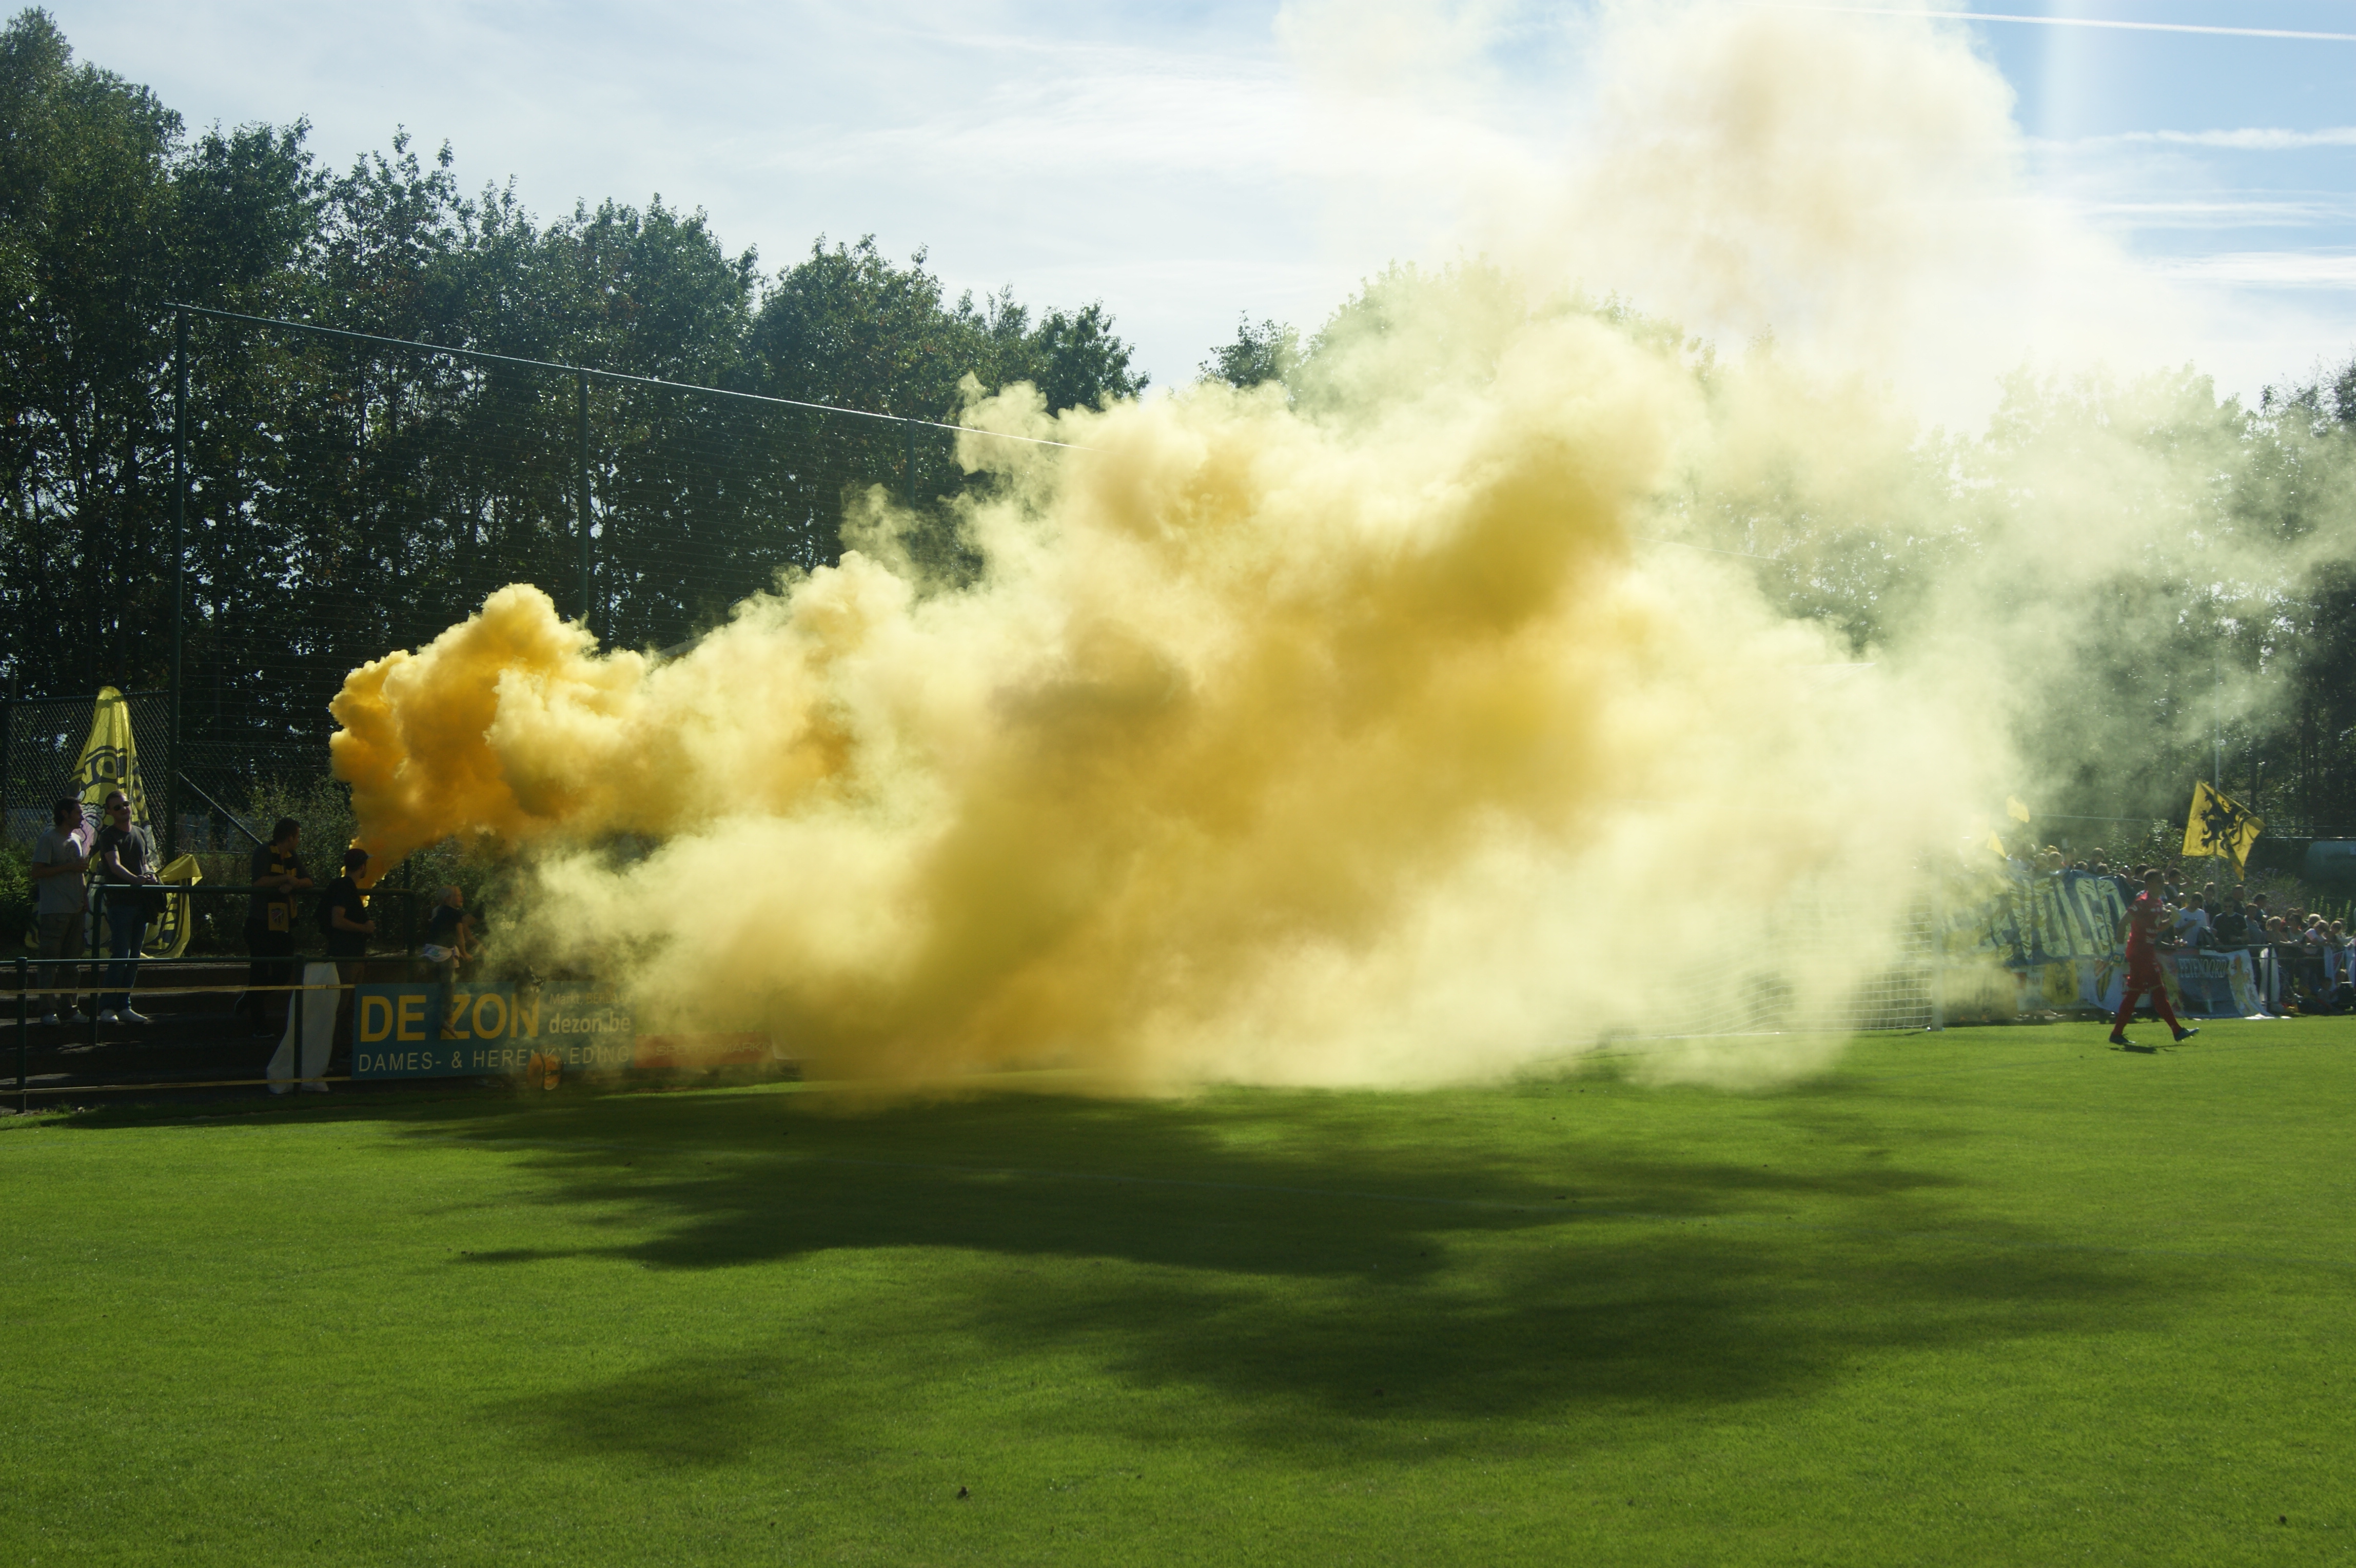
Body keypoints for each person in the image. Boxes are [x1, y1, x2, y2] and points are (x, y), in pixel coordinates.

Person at [91, 790, 161, 1024]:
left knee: (134, 957)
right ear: (109, 812)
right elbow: (114, 865)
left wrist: (150, 876)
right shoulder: (108, 835)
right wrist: (136, 880)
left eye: (126, 804)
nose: (124, 809)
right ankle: (107, 1007)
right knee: (121, 955)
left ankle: (124, 1005)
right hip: (120, 903)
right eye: (117, 807)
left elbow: (144, 863)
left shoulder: (140, 833)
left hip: (141, 903)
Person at [2112, 868, 2196, 1049]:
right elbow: (2123, 923)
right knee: (2157, 991)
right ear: (2149, 884)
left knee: (2137, 993)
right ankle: (2176, 1030)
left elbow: (2157, 929)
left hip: (2147, 951)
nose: (2163, 884)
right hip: (2139, 951)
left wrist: (2171, 921)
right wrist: (2119, 949)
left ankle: (2117, 1033)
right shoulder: (2142, 902)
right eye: (2159, 881)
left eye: (2163, 881)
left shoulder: (2158, 903)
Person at [243, 817, 311, 1036]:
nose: (299, 840)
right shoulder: (263, 852)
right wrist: (285, 879)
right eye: (298, 836)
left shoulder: (293, 857)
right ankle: (258, 1024)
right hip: (260, 923)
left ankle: (250, 997)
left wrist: (294, 883)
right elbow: (258, 882)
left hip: (283, 925)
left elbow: (309, 881)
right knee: (259, 973)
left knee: (283, 973)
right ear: (290, 837)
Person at [27, 797, 92, 1024]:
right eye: (78, 813)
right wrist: (69, 867)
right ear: (65, 814)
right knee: (49, 963)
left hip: (76, 909)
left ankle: (70, 1009)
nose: (82, 817)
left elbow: (80, 872)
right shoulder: (48, 839)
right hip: (55, 910)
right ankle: (47, 1010)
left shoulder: (77, 839)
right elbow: (37, 872)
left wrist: (84, 898)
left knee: (72, 965)